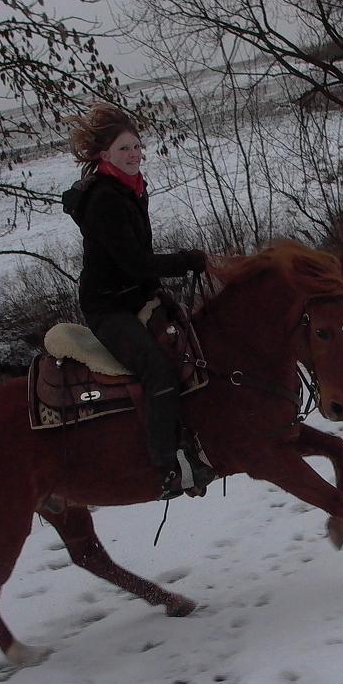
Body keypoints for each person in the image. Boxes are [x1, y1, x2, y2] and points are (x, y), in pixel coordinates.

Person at [62, 102, 216, 499]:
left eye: (135, 147)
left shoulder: (131, 187)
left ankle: (195, 443)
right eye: (123, 149)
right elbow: (133, 261)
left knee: (190, 346)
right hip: (108, 306)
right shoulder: (105, 200)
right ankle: (165, 466)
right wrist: (184, 261)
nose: (133, 155)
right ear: (103, 155)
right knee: (157, 370)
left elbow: (136, 259)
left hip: (134, 294)